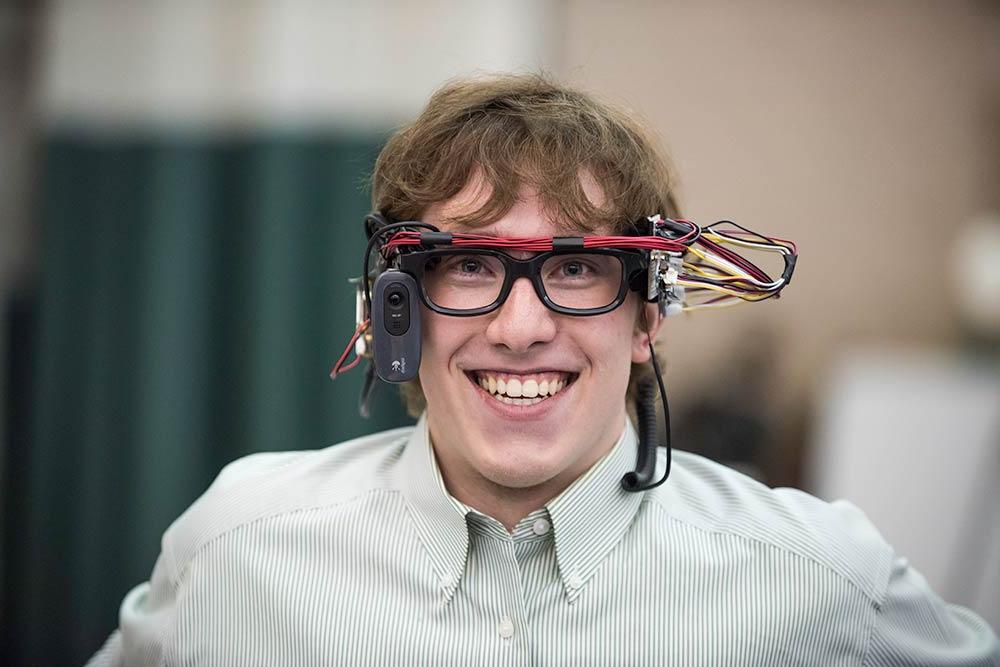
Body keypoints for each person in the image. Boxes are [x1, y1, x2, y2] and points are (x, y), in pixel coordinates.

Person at [88, 74, 999, 666]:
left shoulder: (823, 581)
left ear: (649, 311)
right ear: (395, 308)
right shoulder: (232, 553)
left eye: (573, 268)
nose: (521, 328)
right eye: (472, 265)